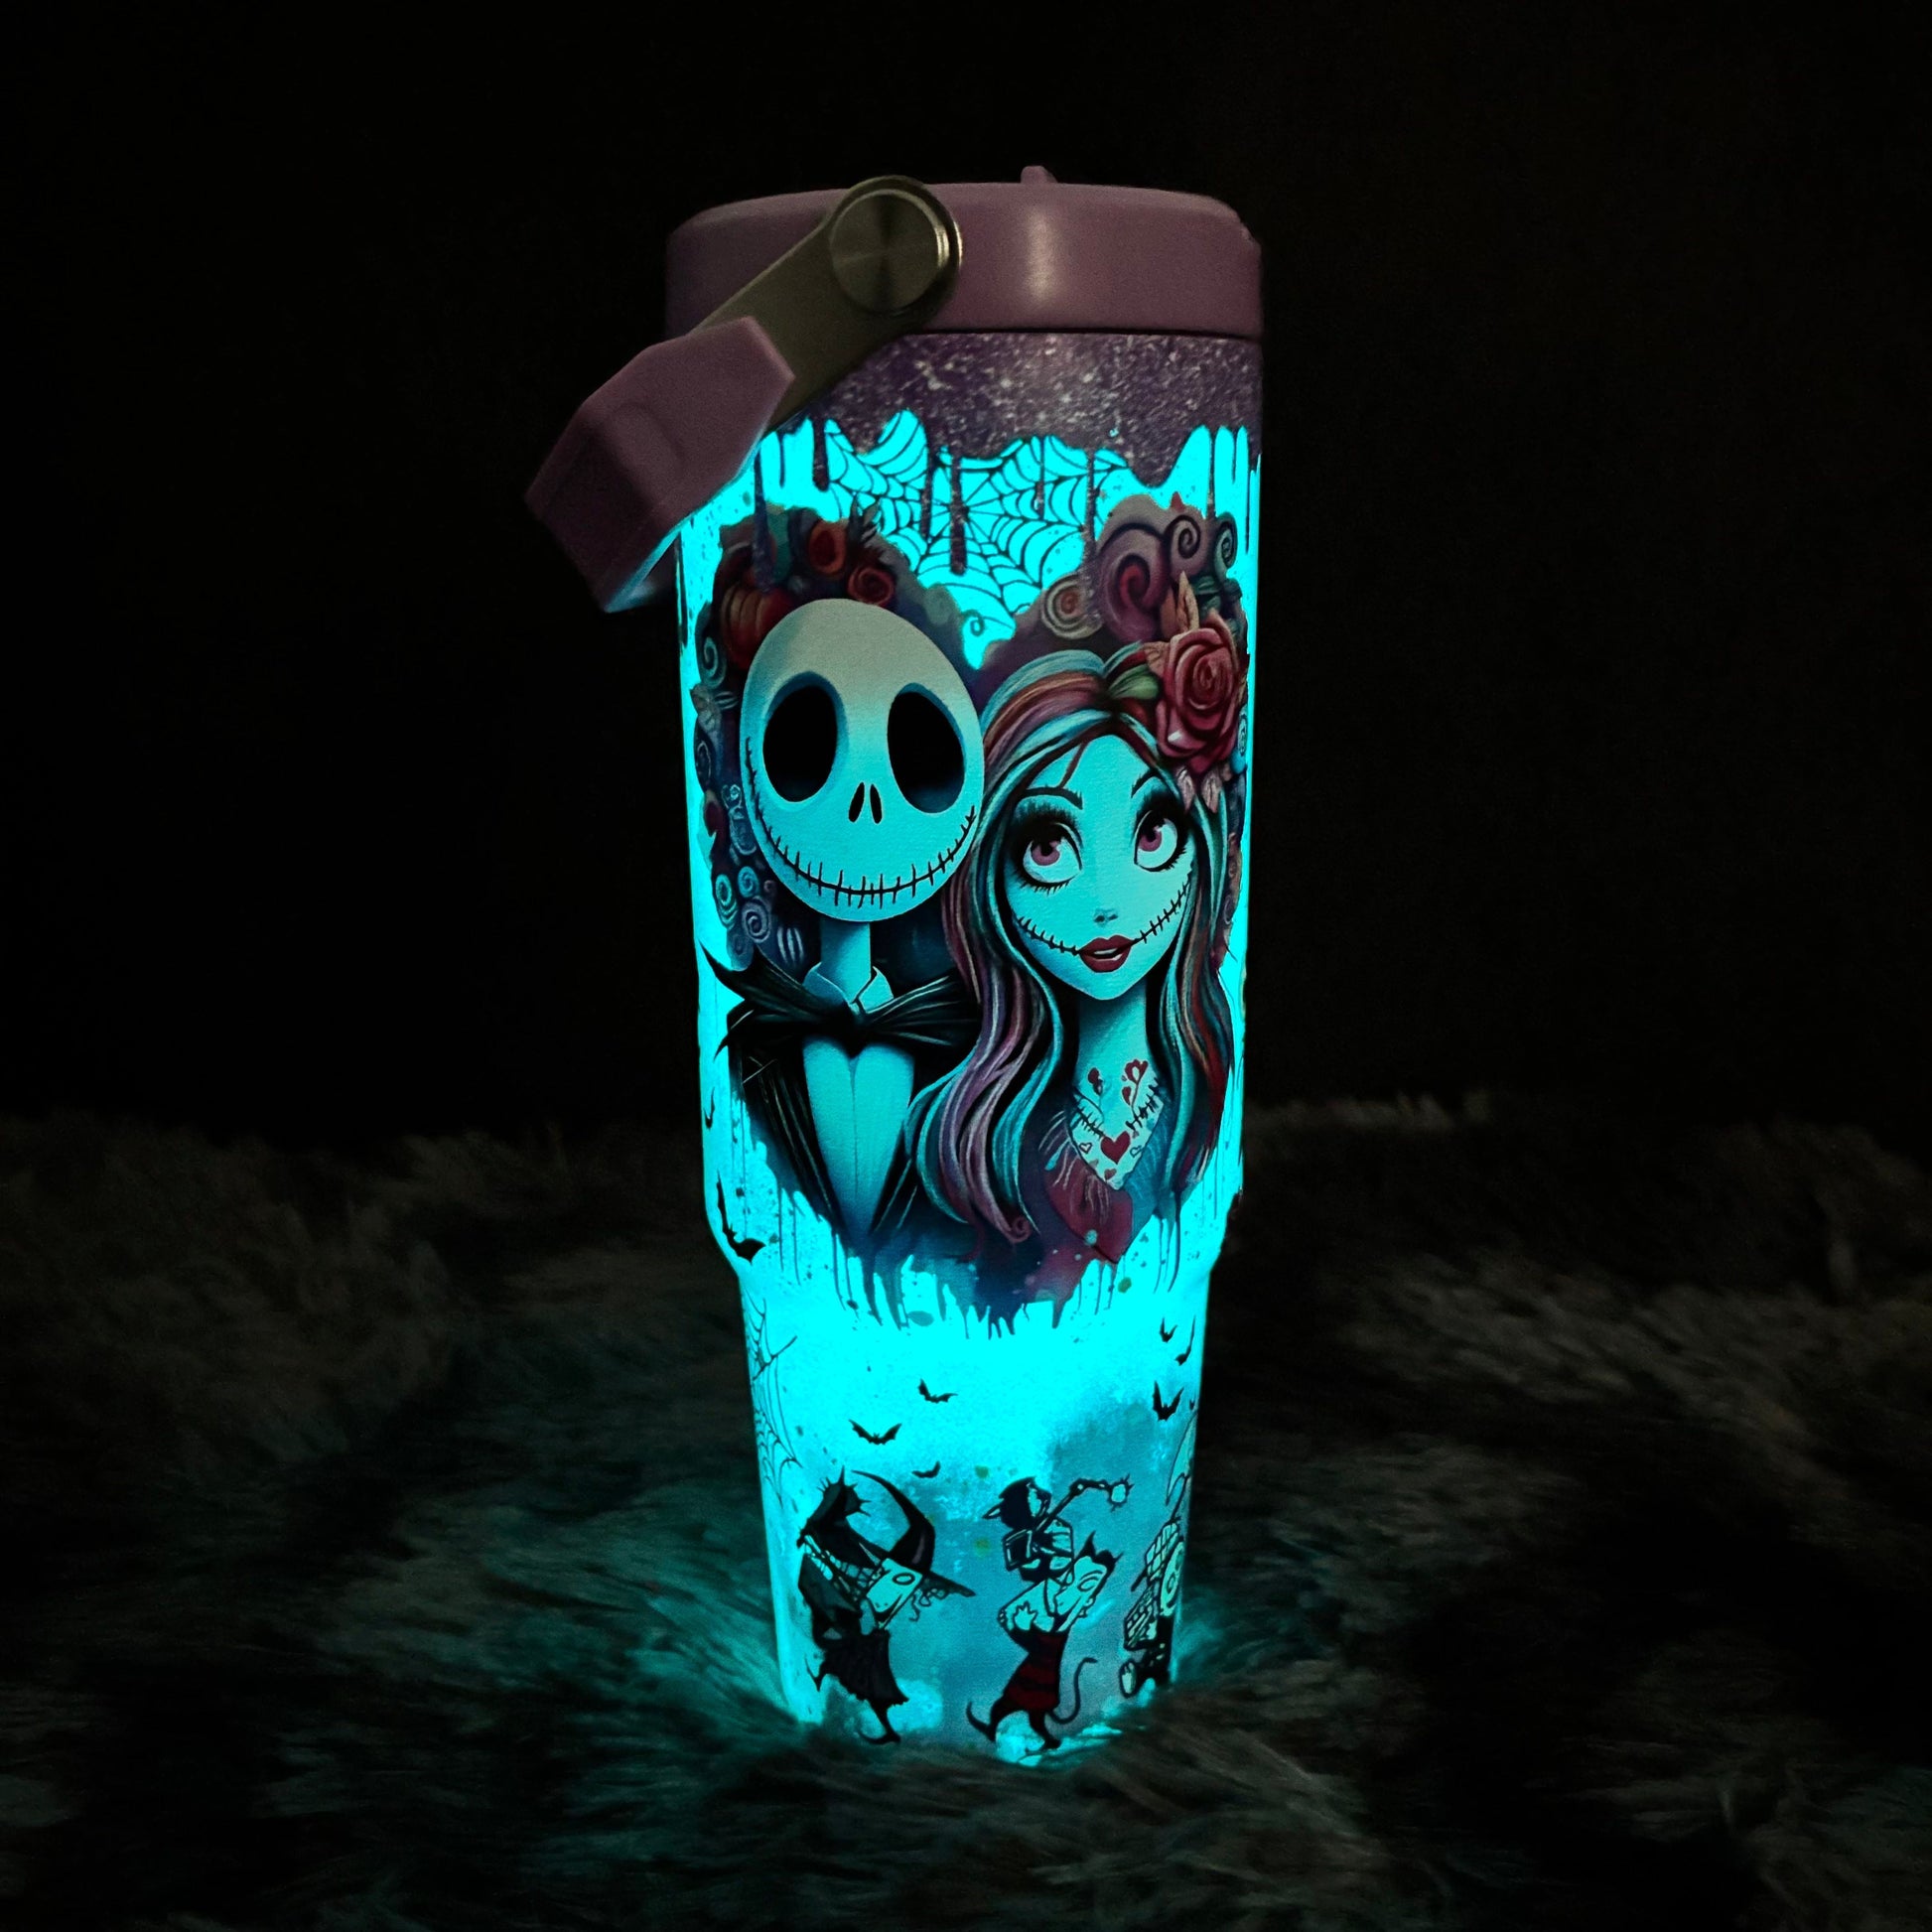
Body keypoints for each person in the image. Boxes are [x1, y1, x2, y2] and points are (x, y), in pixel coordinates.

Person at [909, 605, 1244, 1295]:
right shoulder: (983, 1135)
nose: (1106, 903)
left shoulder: (1195, 1108)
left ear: (1201, 847)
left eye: (1152, 832)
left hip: (1160, 1339)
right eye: (1048, 846)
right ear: (991, 874)